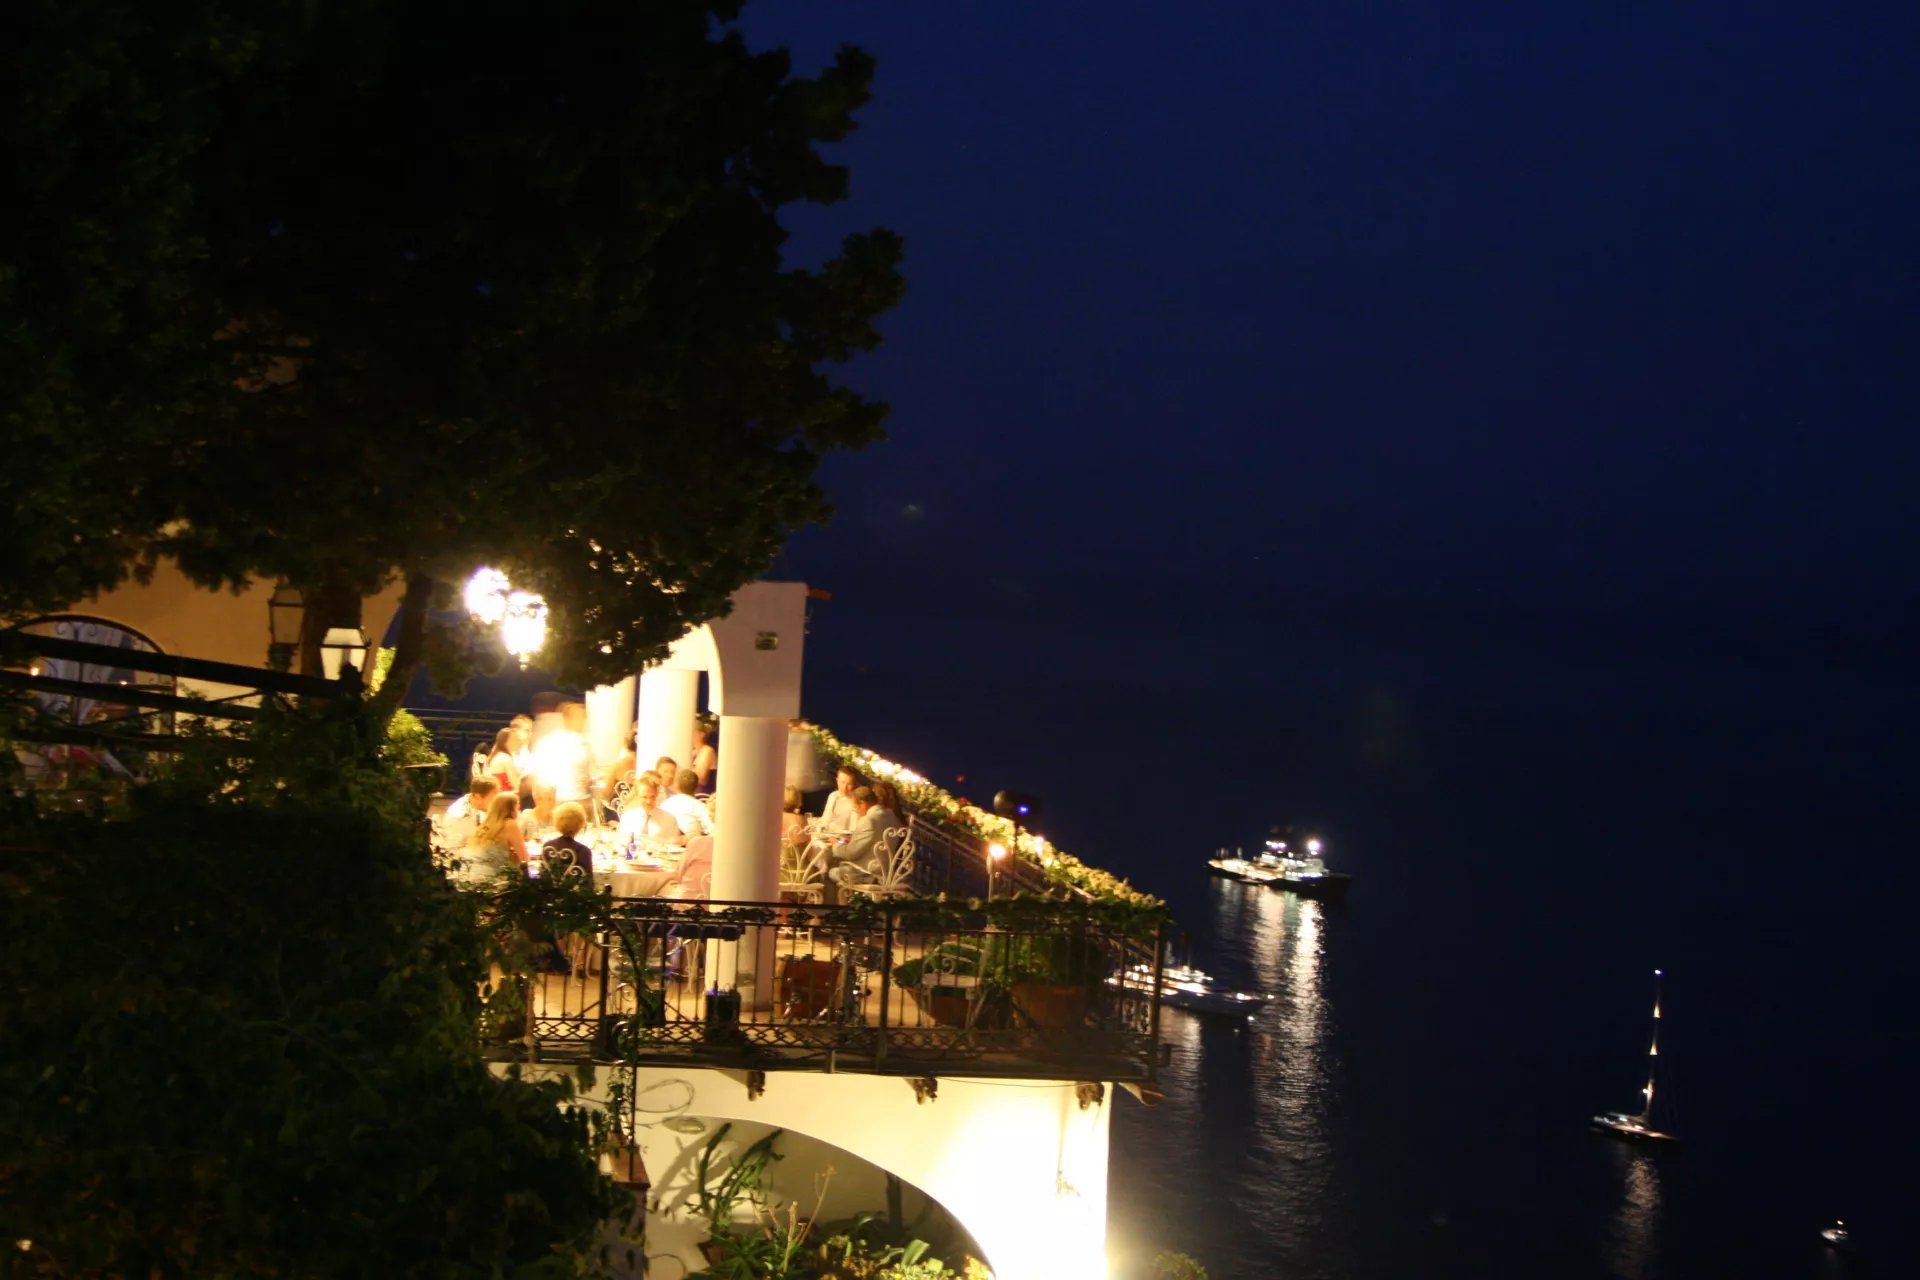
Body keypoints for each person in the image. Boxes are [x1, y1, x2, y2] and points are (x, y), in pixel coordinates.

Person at [531, 701, 592, 828]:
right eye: (579, 717)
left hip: (579, 799)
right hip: (560, 799)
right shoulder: (553, 740)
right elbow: (539, 771)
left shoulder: (583, 742)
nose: (582, 722)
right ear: (567, 718)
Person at [456, 792, 527, 889]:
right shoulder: (509, 824)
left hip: (465, 878)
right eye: (517, 807)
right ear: (513, 808)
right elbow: (525, 859)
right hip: (486, 882)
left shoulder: (486, 824)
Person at [616, 774, 683, 845]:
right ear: (637, 796)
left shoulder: (669, 819)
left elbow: (674, 848)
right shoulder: (628, 817)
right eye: (644, 797)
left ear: (657, 795)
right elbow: (620, 842)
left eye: (652, 797)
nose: (649, 801)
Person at [440, 776, 500, 848]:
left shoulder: (478, 804)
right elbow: (455, 848)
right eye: (493, 799)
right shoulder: (460, 816)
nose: (497, 802)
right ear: (478, 796)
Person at [541, 802, 594, 879]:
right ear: (580, 823)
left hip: (549, 890)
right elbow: (588, 883)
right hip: (574, 890)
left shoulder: (547, 846)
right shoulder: (583, 851)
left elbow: (543, 876)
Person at [661, 768, 712, 838]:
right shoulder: (699, 807)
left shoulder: (665, 804)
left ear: (677, 787)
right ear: (697, 787)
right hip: (691, 846)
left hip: (666, 845)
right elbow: (712, 830)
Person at [819, 766, 862, 835]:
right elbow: (825, 820)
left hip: (844, 840)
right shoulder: (833, 796)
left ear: (855, 784)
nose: (844, 787)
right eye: (842, 782)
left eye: (849, 784)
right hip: (826, 836)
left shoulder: (857, 802)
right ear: (837, 780)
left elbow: (854, 829)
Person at [486, 727, 523, 794]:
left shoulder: (497, 756)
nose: (519, 742)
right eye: (515, 740)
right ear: (506, 742)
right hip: (503, 798)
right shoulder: (504, 758)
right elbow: (516, 784)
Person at [689, 720, 717, 792]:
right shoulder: (692, 752)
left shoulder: (707, 751)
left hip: (705, 795)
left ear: (701, 734)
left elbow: (701, 778)